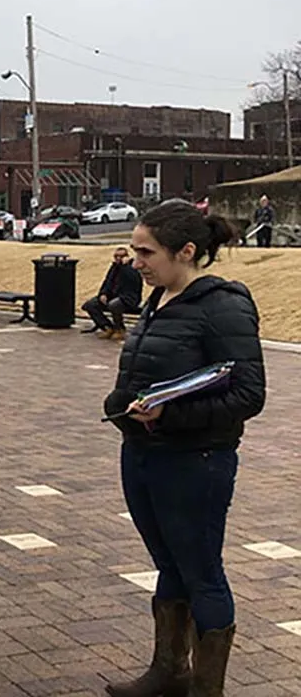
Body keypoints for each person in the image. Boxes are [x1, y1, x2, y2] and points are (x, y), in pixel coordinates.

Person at [103, 200, 264, 697]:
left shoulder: (223, 305)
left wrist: (170, 415)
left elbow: (247, 394)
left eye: (146, 251)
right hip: (144, 454)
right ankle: (169, 671)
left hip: (196, 462)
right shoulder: (158, 299)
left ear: (186, 251)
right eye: (134, 250)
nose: (136, 261)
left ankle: (205, 687)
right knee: (170, 565)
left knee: (201, 571)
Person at [82, 246, 143, 340]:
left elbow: (133, 281)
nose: (118, 258)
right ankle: (107, 327)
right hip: (112, 297)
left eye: (121, 256)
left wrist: (125, 266)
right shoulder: (114, 267)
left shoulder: (132, 268)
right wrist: (103, 294)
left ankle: (120, 329)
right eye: (116, 256)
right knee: (90, 305)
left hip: (128, 298)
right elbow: (107, 282)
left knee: (114, 305)